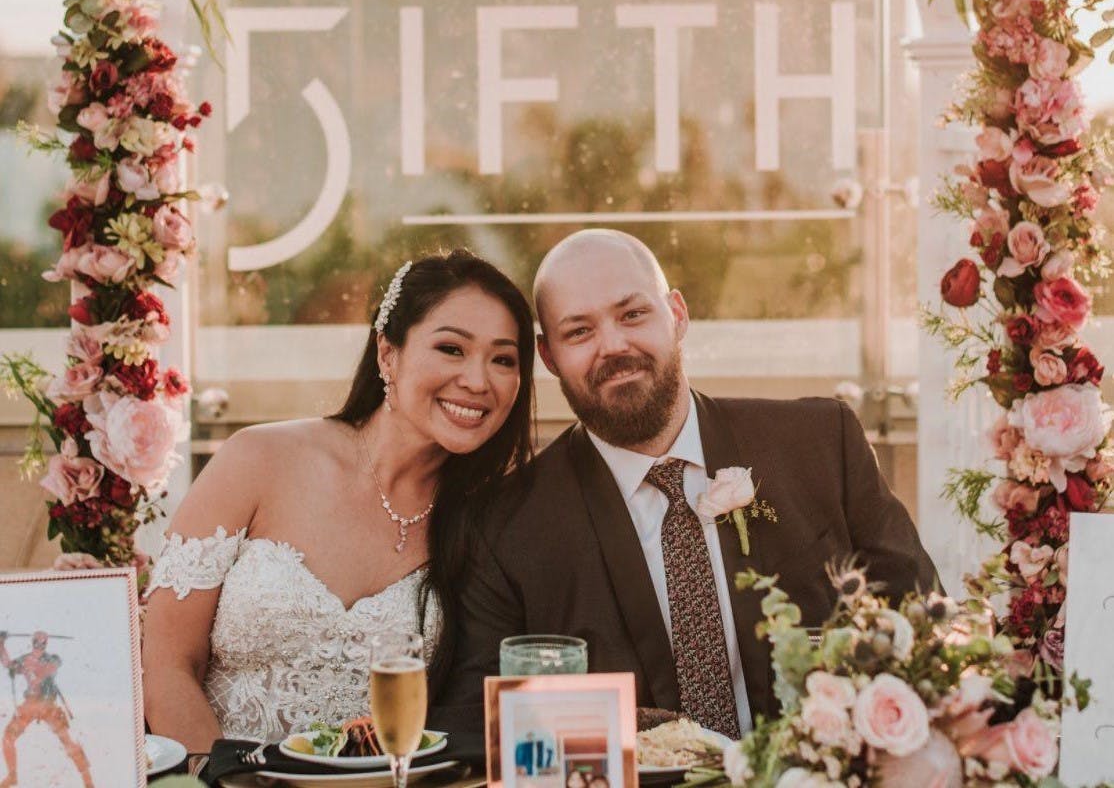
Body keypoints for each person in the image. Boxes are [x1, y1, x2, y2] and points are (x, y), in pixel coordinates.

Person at [435, 229, 938, 737]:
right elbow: (483, 730)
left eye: (633, 314)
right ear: (548, 357)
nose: (614, 345)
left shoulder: (822, 445)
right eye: (579, 332)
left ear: (677, 314)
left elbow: (925, 632)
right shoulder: (503, 529)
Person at [143, 250, 535, 750]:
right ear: (387, 353)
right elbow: (167, 663)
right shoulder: (257, 459)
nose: (478, 381)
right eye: (452, 349)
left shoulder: (490, 521)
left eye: (503, 359)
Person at [0, 631, 93, 788]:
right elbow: (8, 664)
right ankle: (12, 775)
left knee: (68, 741)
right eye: (38, 641)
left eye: (41, 642)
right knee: (8, 737)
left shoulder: (51, 659)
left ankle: (88, 781)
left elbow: (48, 669)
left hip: (48, 705)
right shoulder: (26, 660)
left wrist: (35, 671)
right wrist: (1, 645)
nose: (39, 644)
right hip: (30, 705)